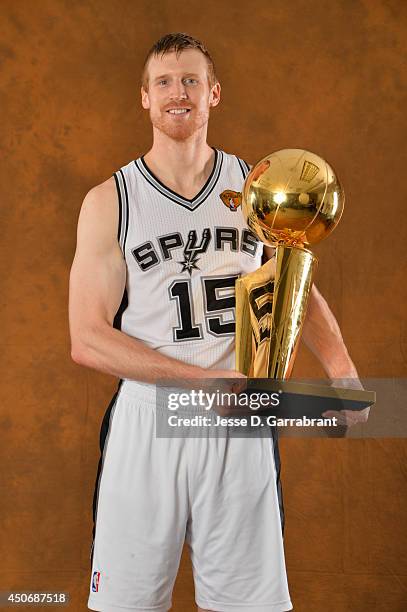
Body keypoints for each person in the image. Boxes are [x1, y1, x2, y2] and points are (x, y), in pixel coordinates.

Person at [69, 33, 366, 612]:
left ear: (214, 94)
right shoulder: (111, 200)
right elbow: (86, 338)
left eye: (190, 81)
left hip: (239, 422)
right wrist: (203, 384)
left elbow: (292, 284)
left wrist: (342, 367)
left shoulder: (253, 187)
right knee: (126, 605)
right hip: (150, 419)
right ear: (145, 100)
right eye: (164, 82)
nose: (177, 93)